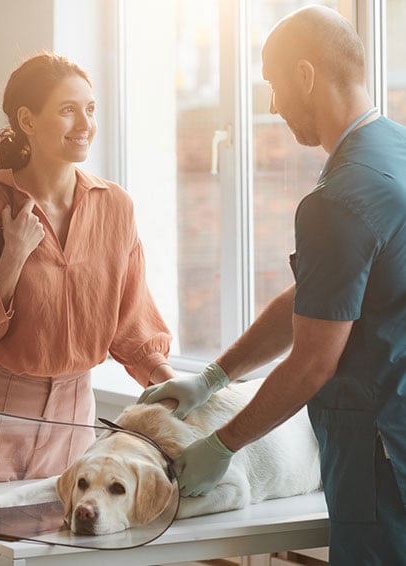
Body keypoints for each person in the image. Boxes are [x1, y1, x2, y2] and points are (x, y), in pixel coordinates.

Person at [139, 6, 406, 563]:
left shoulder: (337, 201)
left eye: (273, 84)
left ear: (306, 76)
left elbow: (312, 361)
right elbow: (315, 301)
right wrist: (212, 377)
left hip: (375, 455)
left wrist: (221, 446)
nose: (272, 105)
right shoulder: (396, 153)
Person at [0, 52, 177, 489]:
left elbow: (133, 326)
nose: (85, 124)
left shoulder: (116, 206)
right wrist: (13, 256)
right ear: (27, 121)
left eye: (90, 109)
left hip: (74, 414)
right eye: (68, 110)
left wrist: (180, 389)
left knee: (59, 548)